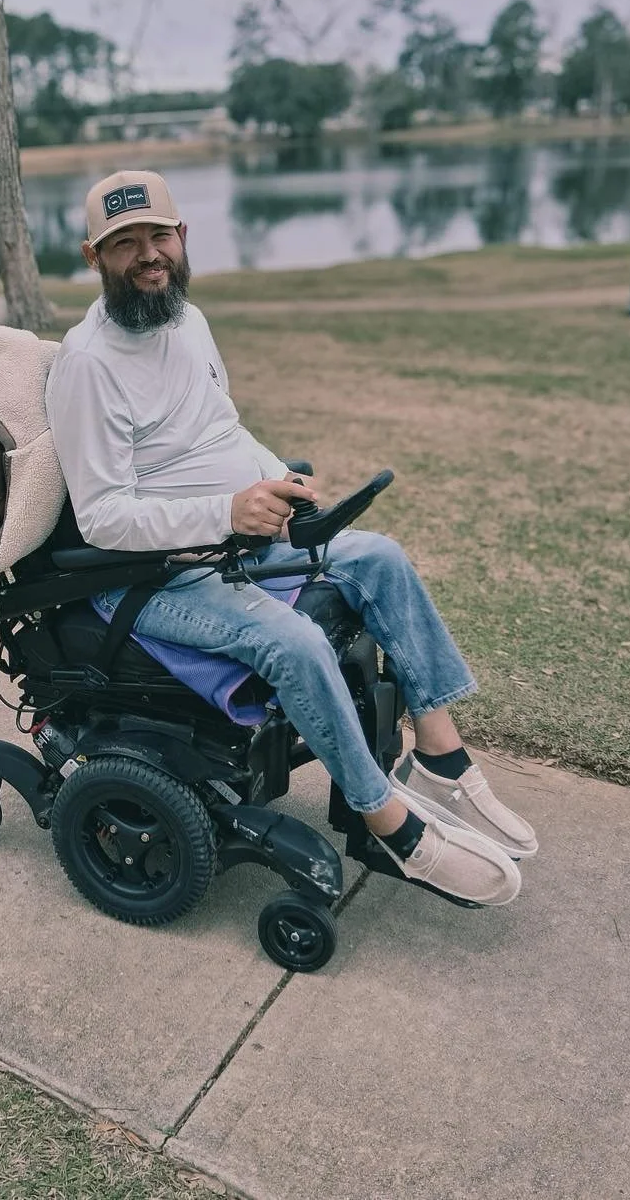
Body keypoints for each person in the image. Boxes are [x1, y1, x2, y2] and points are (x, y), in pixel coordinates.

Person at [45, 169, 536, 907]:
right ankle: (388, 822)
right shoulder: (88, 364)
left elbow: (223, 429)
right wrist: (227, 512)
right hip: (148, 579)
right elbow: (105, 515)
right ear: (94, 256)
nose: (147, 255)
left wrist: (279, 482)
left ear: (183, 238)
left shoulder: (188, 321)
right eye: (124, 244)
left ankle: (443, 757)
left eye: (158, 236)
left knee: (380, 558)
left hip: (230, 542)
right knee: (296, 642)